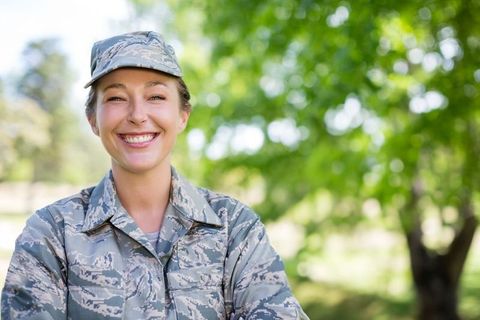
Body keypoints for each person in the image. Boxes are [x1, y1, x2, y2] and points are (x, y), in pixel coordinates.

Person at [1, 31, 309, 319]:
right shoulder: (52, 234)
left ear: (182, 116)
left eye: (156, 97)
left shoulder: (234, 228)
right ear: (93, 119)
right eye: (116, 98)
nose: (137, 115)